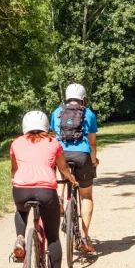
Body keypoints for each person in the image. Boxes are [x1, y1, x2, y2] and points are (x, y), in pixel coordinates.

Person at [10, 110, 77, 268]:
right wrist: (71, 180)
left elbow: (14, 170)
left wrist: (21, 180)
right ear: (46, 126)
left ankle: (20, 239)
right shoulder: (53, 144)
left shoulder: (16, 143)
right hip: (46, 192)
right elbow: (63, 168)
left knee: (21, 210)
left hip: (21, 190)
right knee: (53, 237)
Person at [49, 84, 99, 253]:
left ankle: (60, 198)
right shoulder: (89, 114)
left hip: (62, 154)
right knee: (86, 195)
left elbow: (53, 136)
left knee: (61, 168)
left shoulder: (57, 112)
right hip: (82, 155)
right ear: (83, 98)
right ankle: (84, 237)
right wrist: (93, 160)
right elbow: (92, 142)